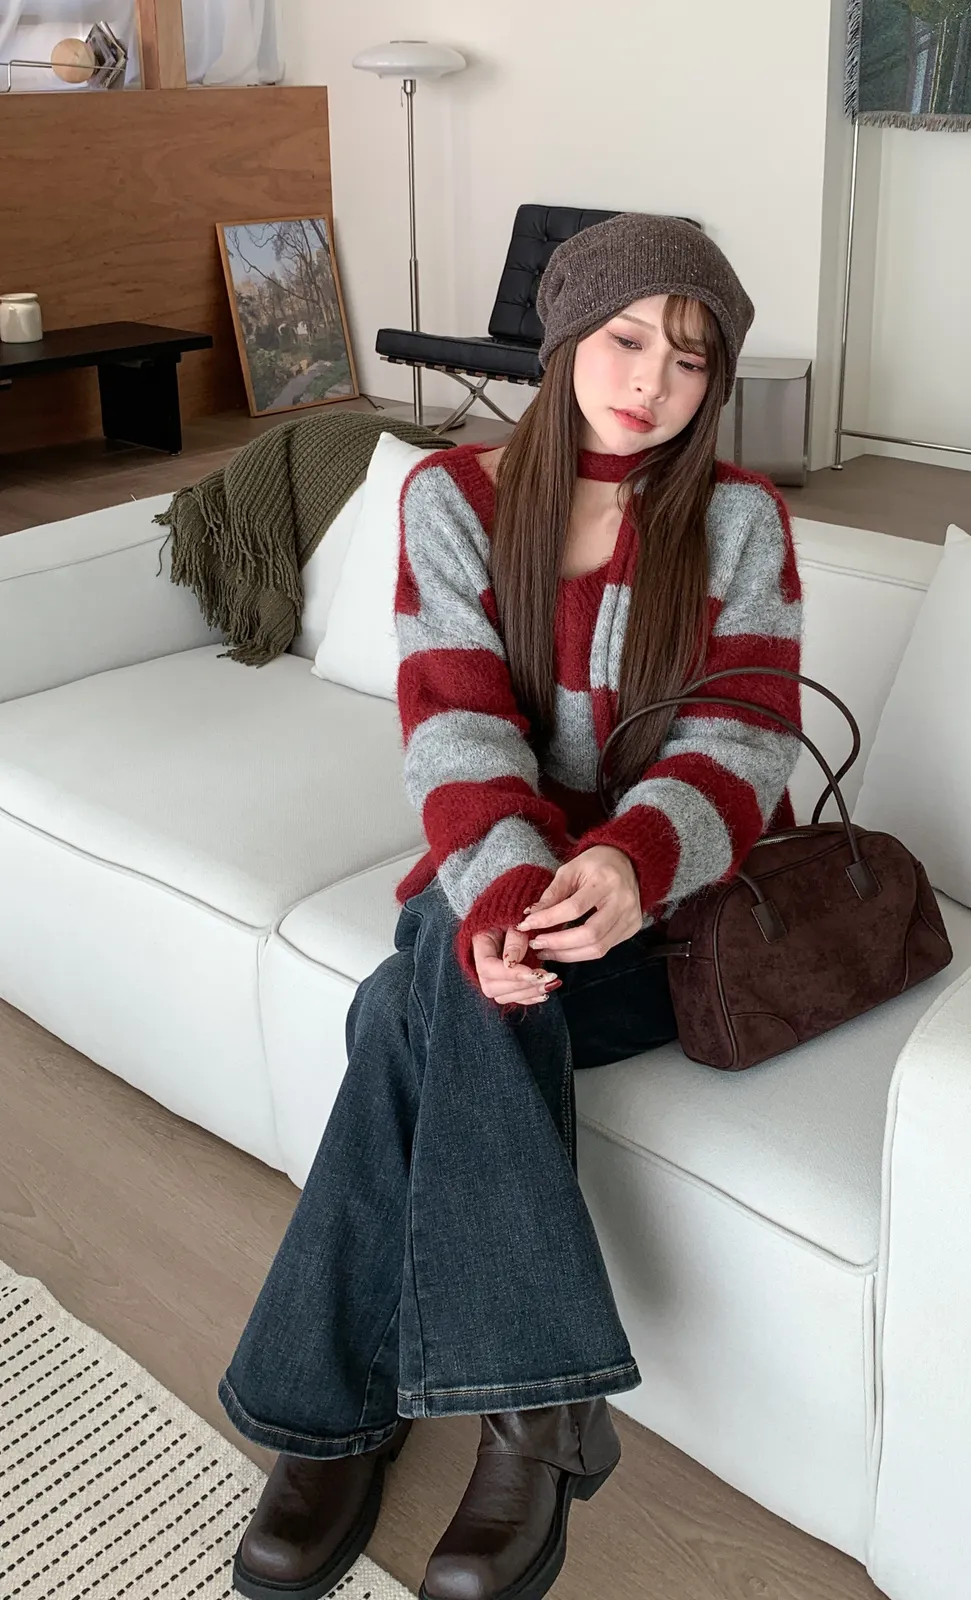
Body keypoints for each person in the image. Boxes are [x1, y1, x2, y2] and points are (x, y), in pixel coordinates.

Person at [218, 212, 805, 1600]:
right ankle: (539, 1422)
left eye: (690, 360)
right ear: (565, 339)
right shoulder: (452, 499)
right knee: (451, 951)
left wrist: (631, 864)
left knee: (408, 999)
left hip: (669, 907)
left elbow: (746, 735)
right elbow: (456, 728)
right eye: (625, 340)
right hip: (506, 874)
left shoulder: (737, 520)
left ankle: (335, 1417)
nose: (651, 382)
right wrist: (518, 893)